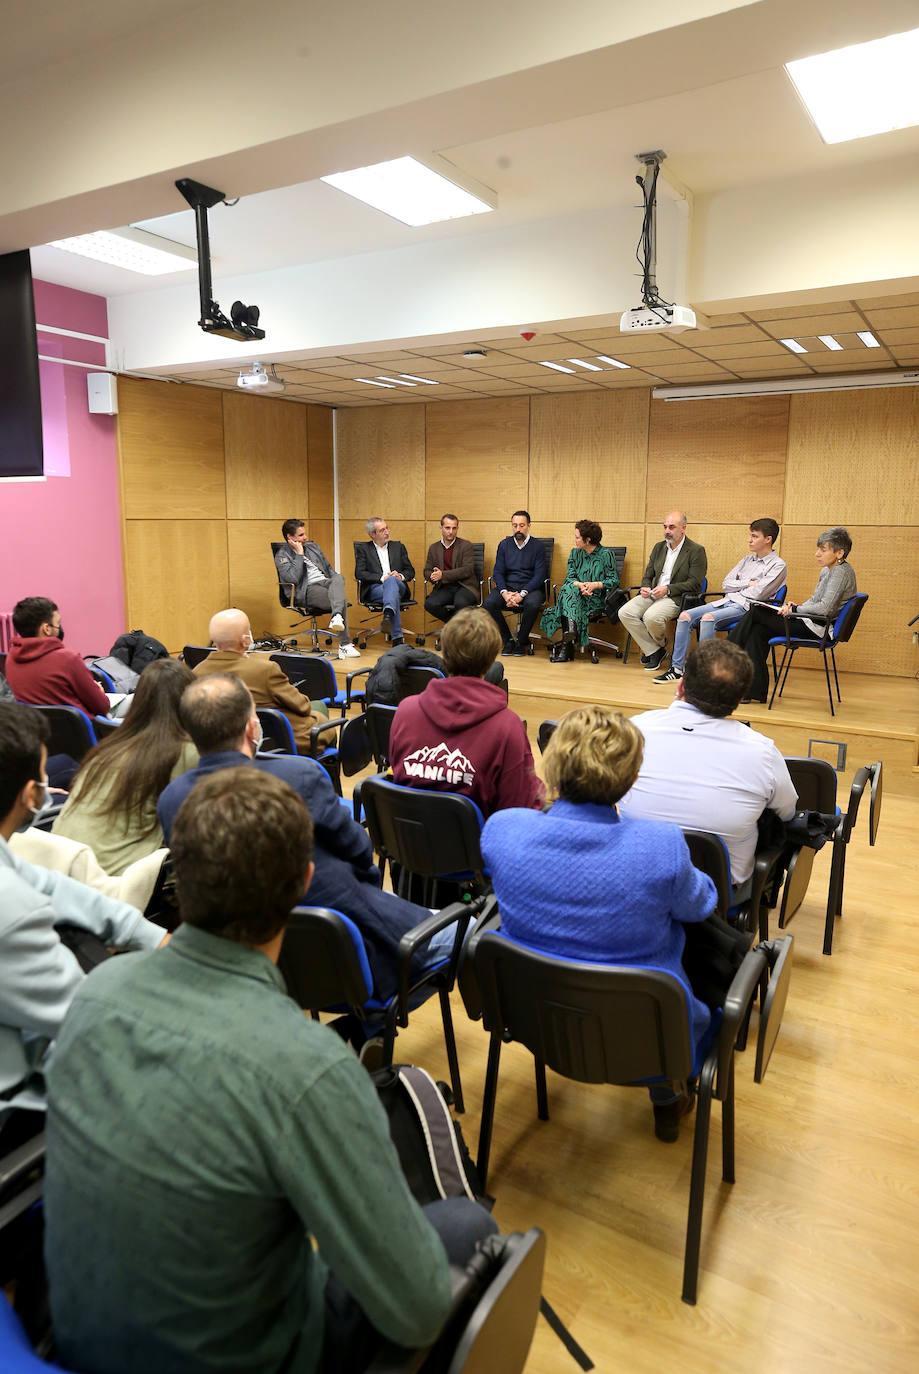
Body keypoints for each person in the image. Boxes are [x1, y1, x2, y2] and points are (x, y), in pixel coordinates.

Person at [45, 767, 496, 1374]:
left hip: (74, 1340)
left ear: (177, 877)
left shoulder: (95, 991)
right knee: (467, 1225)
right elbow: (414, 1311)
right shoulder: (308, 1068)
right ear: (304, 882)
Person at [481, 705, 717, 1142]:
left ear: (551, 762)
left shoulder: (502, 829)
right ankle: (667, 1096)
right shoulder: (661, 846)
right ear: (630, 777)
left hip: (534, 1020)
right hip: (651, 1039)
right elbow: (701, 905)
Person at [157, 675, 459, 1005]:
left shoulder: (172, 798)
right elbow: (358, 850)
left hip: (248, 954)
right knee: (469, 929)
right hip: (337, 935)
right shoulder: (298, 777)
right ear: (249, 728)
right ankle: (371, 1026)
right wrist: (372, 896)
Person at [0, 702, 164, 1149]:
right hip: (17, 1115)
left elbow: (47, 883)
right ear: (27, 795)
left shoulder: (9, 862)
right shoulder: (15, 917)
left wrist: (145, 933)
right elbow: (90, 1026)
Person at [619, 641, 797, 898]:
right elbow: (787, 812)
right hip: (719, 896)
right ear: (738, 700)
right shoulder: (762, 751)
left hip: (635, 885)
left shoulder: (633, 731)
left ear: (680, 686)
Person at [390, 608, 543, 818]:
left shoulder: (405, 711)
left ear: (444, 654)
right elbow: (517, 814)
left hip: (408, 846)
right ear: (491, 661)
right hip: (476, 848)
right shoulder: (507, 726)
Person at [51, 657, 198, 874]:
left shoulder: (108, 746)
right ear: (191, 701)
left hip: (60, 869)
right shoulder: (187, 752)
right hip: (115, 882)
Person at [728, 526, 857, 703]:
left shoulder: (840, 572)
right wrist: (797, 606)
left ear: (840, 553)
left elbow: (825, 609)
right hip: (811, 620)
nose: (817, 554)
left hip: (819, 627)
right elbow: (816, 600)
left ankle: (723, 655)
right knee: (758, 630)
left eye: (823, 550)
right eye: (818, 548)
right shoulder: (828, 569)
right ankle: (753, 691)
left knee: (757, 611)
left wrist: (795, 611)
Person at [653, 518, 787, 685]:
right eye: (750, 535)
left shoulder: (778, 565)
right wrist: (748, 583)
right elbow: (726, 584)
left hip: (748, 608)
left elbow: (759, 593)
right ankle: (677, 669)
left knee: (708, 618)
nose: (749, 539)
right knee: (685, 616)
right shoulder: (746, 560)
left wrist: (739, 588)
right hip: (728, 601)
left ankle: (707, 673)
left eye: (754, 536)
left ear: (768, 539)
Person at [191, 607, 329, 754]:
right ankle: (327, 769)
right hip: (280, 742)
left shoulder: (196, 673)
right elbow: (302, 706)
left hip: (217, 745)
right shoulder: (265, 670)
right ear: (245, 640)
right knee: (320, 710)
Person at [618, 512, 707, 671]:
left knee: (651, 617)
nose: (667, 531)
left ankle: (654, 649)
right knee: (625, 612)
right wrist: (645, 586)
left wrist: (668, 589)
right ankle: (656, 649)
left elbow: (695, 583)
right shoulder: (659, 547)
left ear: (683, 528)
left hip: (676, 596)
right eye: (665, 527)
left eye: (671, 527)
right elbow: (648, 575)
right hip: (652, 593)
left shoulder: (696, 550)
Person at [5, 596, 110, 716]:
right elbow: (102, 707)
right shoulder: (69, 659)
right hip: (85, 732)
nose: (60, 628)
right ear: (47, 629)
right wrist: (100, 692)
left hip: (35, 731)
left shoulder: (10, 658)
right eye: (58, 623)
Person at [274, 518, 360, 659]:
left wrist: (335, 582)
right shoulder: (282, 555)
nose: (305, 537)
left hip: (325, 582)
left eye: (304, 534)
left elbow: (329, 569)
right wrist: (299, 555)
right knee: (340, 600)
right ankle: (344, 644)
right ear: (290, 537)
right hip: (305, 590)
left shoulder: (313, 547)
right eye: (301, 535)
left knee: (338, 577)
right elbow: (293, 579)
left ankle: (337, 616)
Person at [540, 519, 620, 662]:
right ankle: (570, 637)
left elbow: (614, 580)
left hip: (595, 599)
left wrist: (594, 585)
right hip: (576, 595)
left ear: (587, 540)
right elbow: (570, 578)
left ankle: (568, 641)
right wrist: (580, 586)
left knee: (567, 591)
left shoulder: (606, 554)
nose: (574, 540)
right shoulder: (575, 553)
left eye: (577, 537)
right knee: (569, 588)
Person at [482, 510, 547, 656]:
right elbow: (498, 572)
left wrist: (522, 594)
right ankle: (508, 640)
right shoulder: (504, 545)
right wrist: (505, 593)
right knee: (489, 603)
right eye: (515, 525)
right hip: (508, 587)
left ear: (529, 525)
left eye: (522, 525)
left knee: (533, 604)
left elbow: (539, 575)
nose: (518, 529)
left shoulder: (538, 546)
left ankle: (521, 641)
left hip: (530, 587)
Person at [355, 517, 415, 647]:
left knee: (392, 581)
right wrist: (382, 578)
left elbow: (410, 571)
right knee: (392, 593)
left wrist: (399, 575)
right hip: (376, 589)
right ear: (372, 534)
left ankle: (388, 615)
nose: (387, 532)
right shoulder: (364, 549)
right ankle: (397, 637)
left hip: (399, 586)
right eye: (382, 530)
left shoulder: (398, 547)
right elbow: (359, 573)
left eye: (387, 528)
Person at [423, 513, 479, 624]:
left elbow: (467, 570)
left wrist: (442, 575)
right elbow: (427, 570)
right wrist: (432, 576)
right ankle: (454, 626)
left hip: (464, 586)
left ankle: (455, 633)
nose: (451, 532)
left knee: (461, 604)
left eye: (454, 528)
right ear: (441, 528)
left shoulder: (466, 545)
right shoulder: (434, 547)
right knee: (430, 604)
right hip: (444, 587)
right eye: (447, 528)